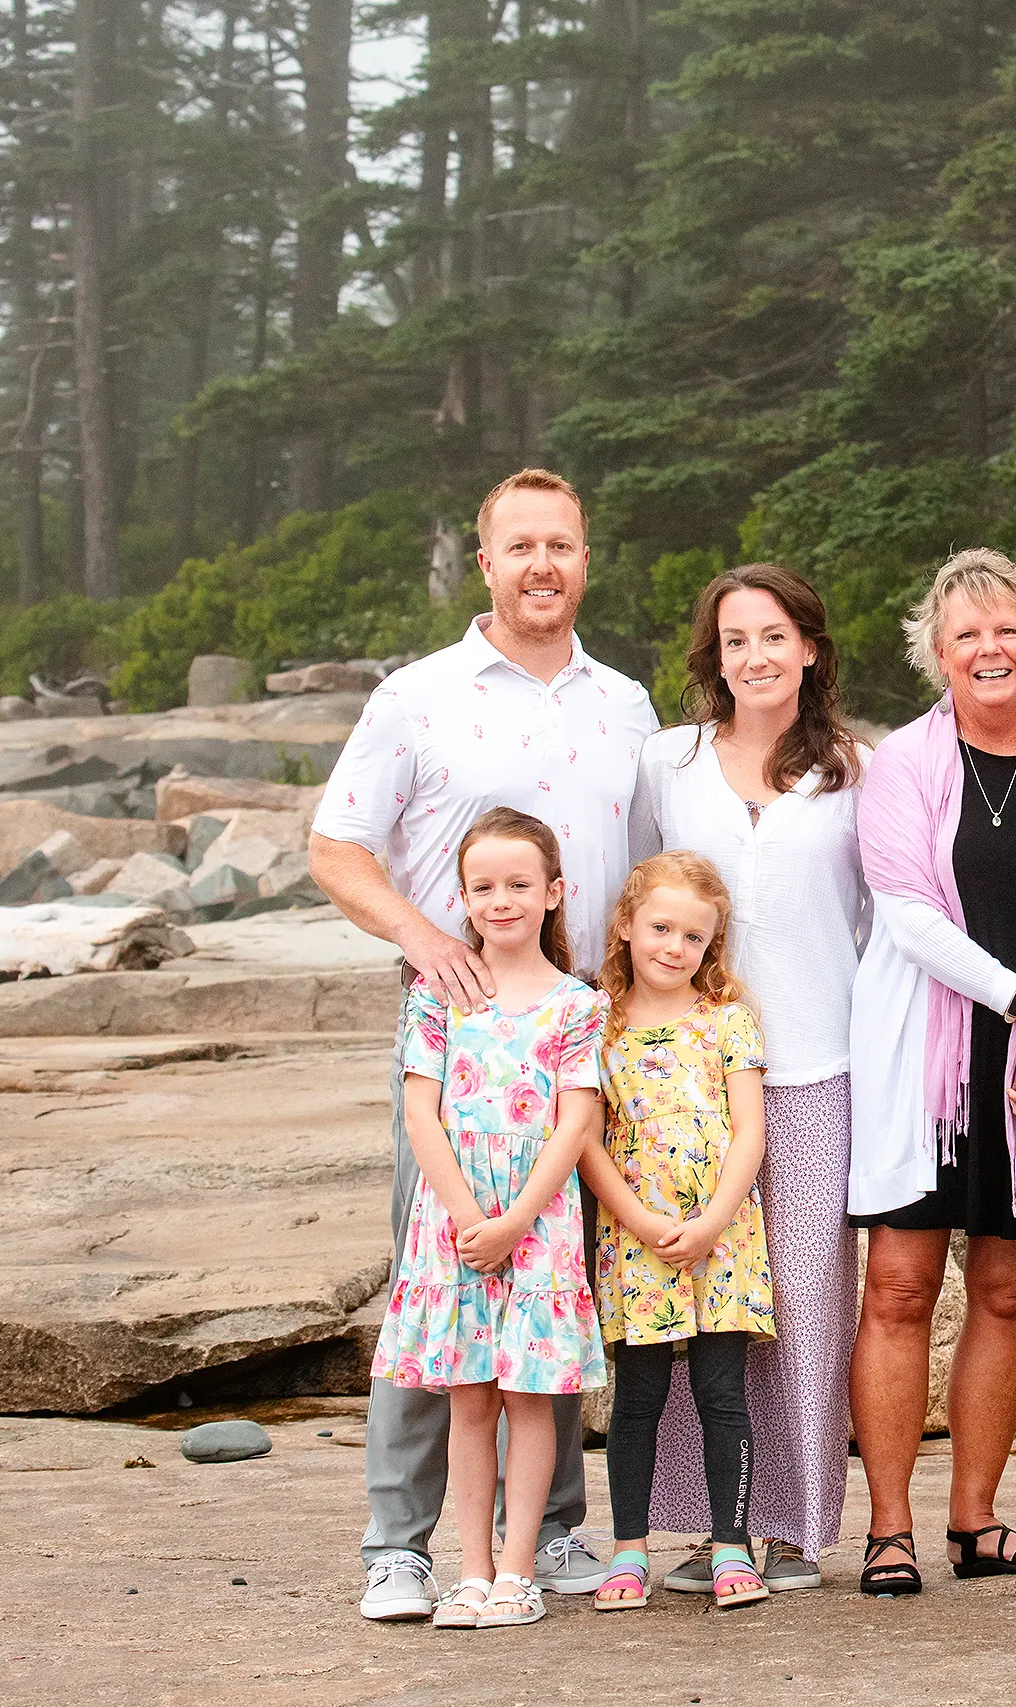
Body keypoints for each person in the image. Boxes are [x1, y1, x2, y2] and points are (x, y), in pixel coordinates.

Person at [314, 467, 656, 1622]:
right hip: (460, 1045)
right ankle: (398, 1545)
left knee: (555, 1285)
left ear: (585, 559)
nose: (541, 566)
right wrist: (423, 938)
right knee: (447, 1273)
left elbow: (656, 870)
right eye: (520, 547)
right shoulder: (418, 695)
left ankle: (549, 1531)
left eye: (561, 544)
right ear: (486, 563)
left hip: (576, 1036)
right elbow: (336, 847)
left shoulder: (626, 703)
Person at [846, 549, 1016, 1593]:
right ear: (936, 655)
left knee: (1006, 1291)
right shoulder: (900, 764)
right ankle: (888, 1528)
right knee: (901, 1286)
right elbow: (906, 915)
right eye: (966, 635)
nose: (988, 648)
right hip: (928, 1059)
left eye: (1007, 629)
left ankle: (977, 1521)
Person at [628, 563, 867, 1591]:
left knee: (805, 1300)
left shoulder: (860, 767)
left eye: (774, 636)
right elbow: (642, 899)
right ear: (712, 656)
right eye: (734, 640)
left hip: (818, 1062)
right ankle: (701, 1526)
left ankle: (794, 1528)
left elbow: (879, 915)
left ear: (809, 648)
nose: (754, 656)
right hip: (683, 1074)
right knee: (693, 1296)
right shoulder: (666, 762)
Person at [372, 808, 610, 1630]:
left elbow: (575, 1122)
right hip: (454, 1220)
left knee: (528, 1395)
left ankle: (518, 1570)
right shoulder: (435, 994)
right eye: (483, 887)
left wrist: (513, 1222)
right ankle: (468, 1571)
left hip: (535, 1223)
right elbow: (419, 1115)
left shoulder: (579, 1003)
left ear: (553, 893)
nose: (500, 899)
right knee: (469, 1396)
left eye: (518, 884)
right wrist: (472, 1216)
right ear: (462, 899)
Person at [583, 853, 774, 1610]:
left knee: (723, 1394)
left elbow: (750, 1133)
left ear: (711, 945)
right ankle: (629, 1551)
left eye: (694, 936)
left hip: (723, 1239)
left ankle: (732, 1545)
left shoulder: (728, 1019)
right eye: (660, 927)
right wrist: (639, 1219)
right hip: (635, 1240)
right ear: (626, 924)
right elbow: (588, 1139)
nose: (674, 945)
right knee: (638, 1397)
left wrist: (711, 1221)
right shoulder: (598, 1022)